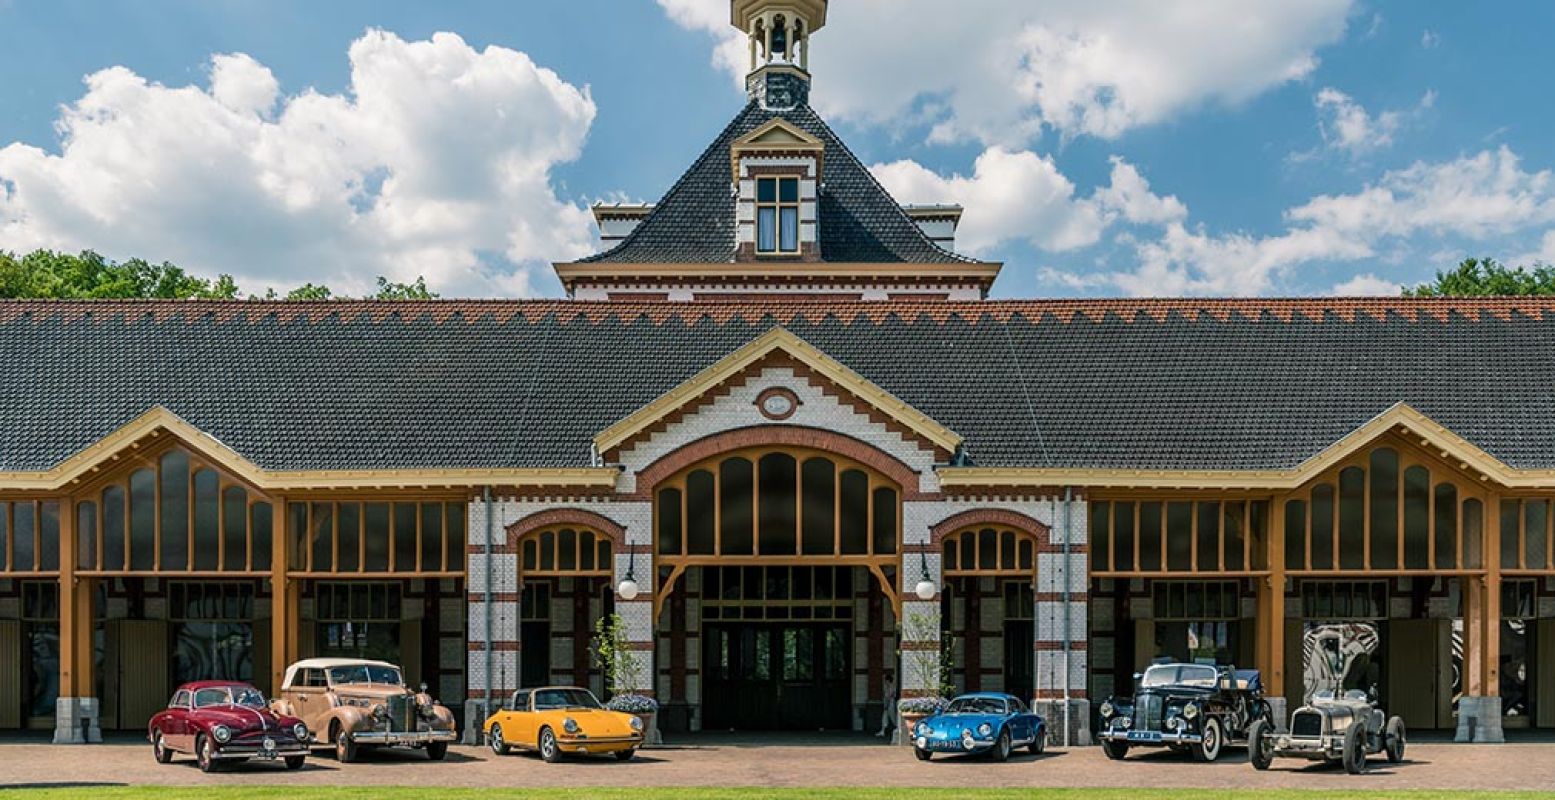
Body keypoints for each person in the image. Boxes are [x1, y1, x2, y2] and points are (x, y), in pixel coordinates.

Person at [876, 671, 897, 737]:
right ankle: (883, 731)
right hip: (887, 703)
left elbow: (890, 696)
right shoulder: (886, 687)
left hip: (890, 704)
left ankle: (897, 727)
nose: (885, 682)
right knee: (884, 717)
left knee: (892, 717)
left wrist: (887, 704)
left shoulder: (892, 687)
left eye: (886, 680)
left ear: (888, 680)